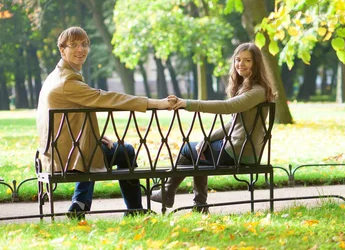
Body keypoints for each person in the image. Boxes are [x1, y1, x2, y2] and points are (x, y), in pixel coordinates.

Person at [37, 26, 173, 218]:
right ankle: (134, 209)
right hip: (68, 157)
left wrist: (95, 136)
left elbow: (69, 117)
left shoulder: (56, 76)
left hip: (58, 153)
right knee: (126, 151)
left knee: (95, 149)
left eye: (84, 44)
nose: (80, 49)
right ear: (62, 50)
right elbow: (110, 99)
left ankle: (80, 202)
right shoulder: (68, 82)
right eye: (74, 45)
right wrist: (156, 103)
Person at [151, 42, 277, 212]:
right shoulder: (248, 88)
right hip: (241, 148)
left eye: (247, 60)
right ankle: (197, 204)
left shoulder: (257, 91)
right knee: (199, 150)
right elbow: (235, 123)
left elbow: (227, 108)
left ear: (256, 64)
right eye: (238, 60)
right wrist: (207, 138)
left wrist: (187, 103)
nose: (241, 64)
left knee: (189, 149)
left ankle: (173, 194)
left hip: (240, 152)